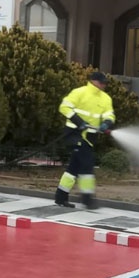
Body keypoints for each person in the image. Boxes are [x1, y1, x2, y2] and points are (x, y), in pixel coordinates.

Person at [55, 70, 116, 210]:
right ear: (93, 81)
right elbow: (64, 107)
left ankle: (60, 197)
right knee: (87, 164)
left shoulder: (106, 98)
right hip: (74, 135)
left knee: (73, 169)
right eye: (101, 82)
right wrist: (78, 121)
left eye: (105, 83)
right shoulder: (79, 92)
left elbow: (110, 114)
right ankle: (87, 199)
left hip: (89, 138)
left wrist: (106, 123)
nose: (103, 85)